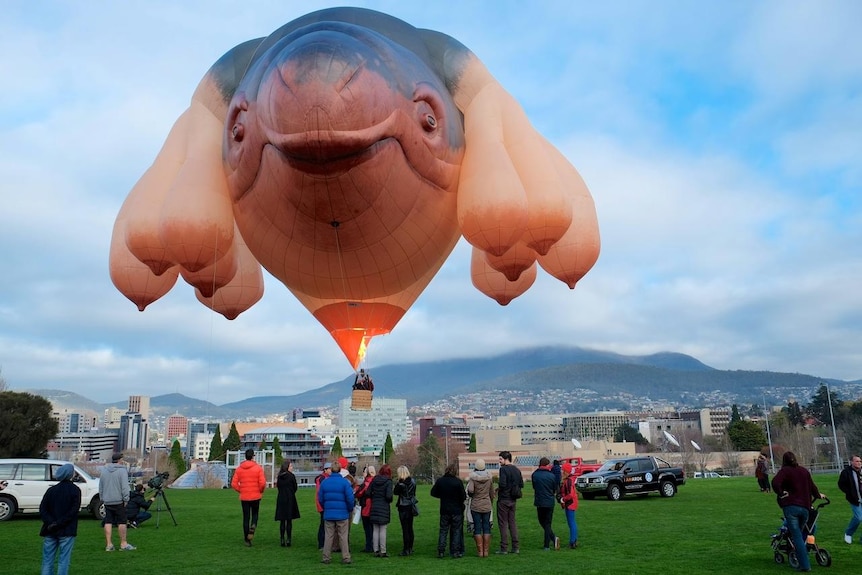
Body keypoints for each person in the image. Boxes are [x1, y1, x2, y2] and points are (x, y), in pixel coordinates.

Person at [771, 451, 826, 573]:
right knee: (802, 533)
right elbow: (812, 487)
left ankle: (804, 565)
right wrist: (818, 495)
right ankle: (801, 553)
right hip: (805, 508)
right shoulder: (804, 471)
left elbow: (775, 482)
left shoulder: (785, 471)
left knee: (796, 537)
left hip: (791, 507)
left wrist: (781, 493)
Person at [40, 463, 81, 575]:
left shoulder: (51, 491)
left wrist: (51, 523)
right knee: (64, 560)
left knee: (47, 560)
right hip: (67, 530)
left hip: (50, 529)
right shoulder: (75, 490)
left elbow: (43, 509)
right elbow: (73, 511)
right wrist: (59, 523)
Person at [317, 460, 354, 565]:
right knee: (343, 536)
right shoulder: (344, 483)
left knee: (329, 536)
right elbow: (350, 498)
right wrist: (349, 509)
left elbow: (320, 498)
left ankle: (326, 557)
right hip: (342, 513)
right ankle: (346, 557)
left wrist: (326, 507)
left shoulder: (325, 482)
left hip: (329, 513)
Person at [431, 461, 467, 559]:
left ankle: (441, 551)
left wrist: (442, 495)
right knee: (456, 531)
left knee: (443, 530)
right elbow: (463, 496)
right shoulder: (458, 482)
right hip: (456, 510)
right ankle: (455, 551)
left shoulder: (440, 481)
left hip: (445, 509)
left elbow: (433, 493)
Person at [100, 453, 135, 551]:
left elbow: (101, 485)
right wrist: (126, 499)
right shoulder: (122, 470)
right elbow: (124, 486)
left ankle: (109, 544)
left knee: (108, 521)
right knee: (122, 522)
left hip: (107, 500)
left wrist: (102, 497)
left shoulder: (104, 470)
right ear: (120, 460)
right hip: (119, 500)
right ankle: (123, 544)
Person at [231, 448, 266, 547]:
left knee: (246, 517)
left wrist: (240, 490)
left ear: (245, 457)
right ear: (253, 456)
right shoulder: (258, 468)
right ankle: (253, 526)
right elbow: (262, 483)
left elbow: (233, 484)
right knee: (255, 514)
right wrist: (260, 490)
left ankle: (246, 539)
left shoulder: (239, 469)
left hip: (244, 496)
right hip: (255, 495)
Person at [495, 450, 524, 555]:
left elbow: (502, 484)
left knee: (503, 524)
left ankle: (504, 548)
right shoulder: (516, 469)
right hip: (513, 499)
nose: (499, 461)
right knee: (512, 523)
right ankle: (515, 547)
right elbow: (521, 484)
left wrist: (499, 489)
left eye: (500, 459)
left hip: (504, 499)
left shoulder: (503, 470)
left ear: (505, 459)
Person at [467, 458, 494, 557]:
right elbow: (492, 492)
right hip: (486, 504)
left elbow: (470, 490)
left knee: (477, 527)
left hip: (476, 505)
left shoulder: (473, 478)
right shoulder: (489, 478)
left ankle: (480, 551)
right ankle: (486, 551)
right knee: (486, 527)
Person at [532, 456, 560, 551]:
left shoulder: (535, 475)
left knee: (542, 521)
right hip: (549, 502)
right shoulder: (552, 476)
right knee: (547, 523)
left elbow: (534, 487)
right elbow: (554, 488)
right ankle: (549, 543)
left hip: (539, 501)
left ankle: (550, 541)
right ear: (547, 465)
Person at [369, 463, 394, 557]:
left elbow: (368, 492)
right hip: (384, 506)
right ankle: (383, 550)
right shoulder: (388, 481)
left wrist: (374, 496)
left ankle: (375, 549)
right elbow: (388, 496)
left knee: (375, 529)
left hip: (375, 505)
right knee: (383, 529)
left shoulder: (374, 480)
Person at [275, 459, 300, 547]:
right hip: (290, 498)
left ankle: (282, 539)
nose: (292, 468)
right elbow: (295, 487)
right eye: (291, 466)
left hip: (281, 498)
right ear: (287, 467)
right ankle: (288, 539)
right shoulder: (291, 476)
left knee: (282, 521)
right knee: (289, 520)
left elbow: (278, 487)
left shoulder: (279, 476)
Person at [838, 454, 862, 545]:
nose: (859, 463)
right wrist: (850, 493)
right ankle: (848, 534)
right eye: (857, 461)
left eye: (860, 461)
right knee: (858, 517)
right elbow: (841, 484)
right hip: (855, 499)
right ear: (851, 462)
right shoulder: (846, 472)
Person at [393, 465, 417, 556]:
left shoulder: (400, 484)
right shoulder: (413, 482)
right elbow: (414, 493)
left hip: (403, 506)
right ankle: (410, 547)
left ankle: (406, 549)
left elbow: (395, 492)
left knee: (405, 529)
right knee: (410, 527)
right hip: (410, 505)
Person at [354, 465, 376, 553]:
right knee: (374, 528)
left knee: (367, 528)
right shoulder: (376, 481)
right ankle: (375, 545)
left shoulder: (366, 483)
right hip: (375, 507)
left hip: (366, 507)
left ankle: (369, 546)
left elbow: (358, 493)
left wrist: (357, 489)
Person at [560, 462, 579, 549]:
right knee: (572, 523)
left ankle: (573, 542)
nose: (561, 472)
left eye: (563, 470)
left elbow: (570, 494)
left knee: (571, 523)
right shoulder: (570, 480)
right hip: (571, 503)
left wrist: (563, 499)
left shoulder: (568, 481)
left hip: (570, 503)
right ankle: (573, 540)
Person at [314, 462, 333, 549]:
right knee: (323, 525)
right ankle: (321, 543)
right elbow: (320, 493)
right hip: (323, 505)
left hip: (325, 504)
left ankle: (325, 543)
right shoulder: (322, 478)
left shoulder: (325, 478)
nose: (331, 470)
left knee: (326, 524)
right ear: (325, 470)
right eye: (329, 469)